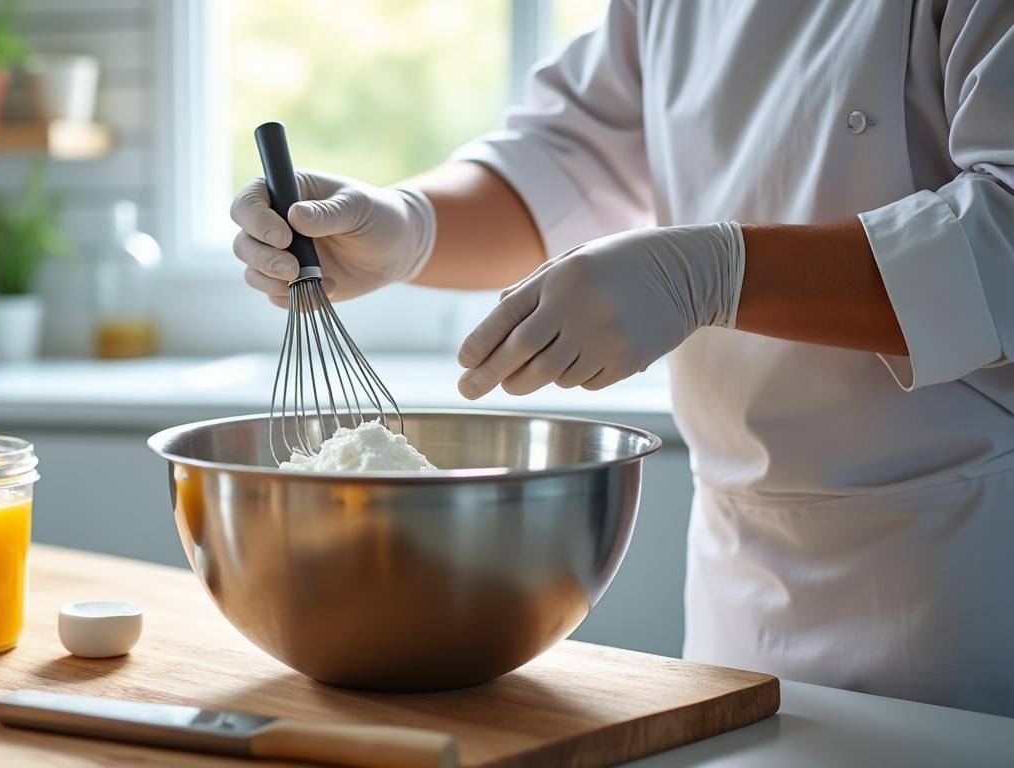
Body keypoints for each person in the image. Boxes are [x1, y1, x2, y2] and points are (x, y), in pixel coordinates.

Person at [230, 1, 1014, 716]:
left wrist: (715, 272)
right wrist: (411, 225)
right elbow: (568, 160)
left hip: (957, 578)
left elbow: (1004, 232)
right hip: (736, 576)